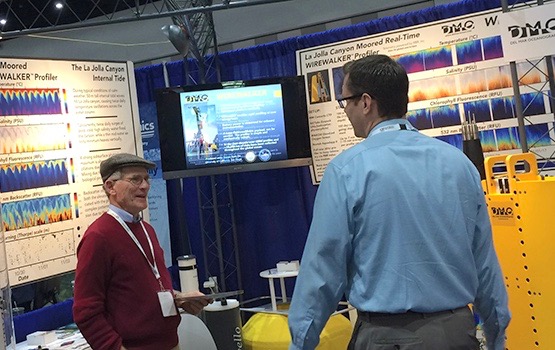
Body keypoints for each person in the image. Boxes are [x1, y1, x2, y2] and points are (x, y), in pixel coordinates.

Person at [288, 55, 510, 350]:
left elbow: (323, 268)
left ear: (366, 102)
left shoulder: (347, 170)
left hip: (387, 338)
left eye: (345, 103)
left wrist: (300, 343)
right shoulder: (460, 165)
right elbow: (484, 262)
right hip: (457, 334)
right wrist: (497, 336)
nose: (346, 112)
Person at [73, 153, 209, 350]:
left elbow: (143, 290)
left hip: (171, 343)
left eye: (146, 178)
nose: (145, 186)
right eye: (135, 179)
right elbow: (85, 310)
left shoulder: (147, 229)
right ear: (110, 187)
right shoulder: (98, 237)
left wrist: (179, 299)